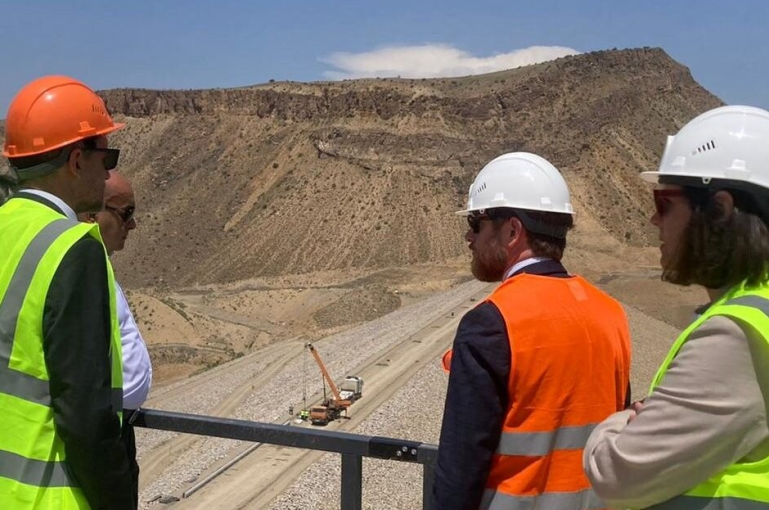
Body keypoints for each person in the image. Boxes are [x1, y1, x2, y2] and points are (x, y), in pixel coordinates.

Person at [584, 105, 769, 509]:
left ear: (719, 208)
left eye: (665, 202)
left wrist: (623, 419)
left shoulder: (737, 334)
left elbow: (617, 474)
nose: (653, 219)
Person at [432, 152, 632, 510]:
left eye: (476, 223)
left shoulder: (492, 322)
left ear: (512, 231)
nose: (468, 235)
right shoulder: (611, 314)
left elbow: (459, 471)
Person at [0, 76, 134, 509]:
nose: (109, 171)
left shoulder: (6, 226)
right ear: (77, 160)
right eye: (106, 156)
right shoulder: (74, 248)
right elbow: (86, 418)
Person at [80, 170, 150, 508]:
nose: (132, 226)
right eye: (126, 214)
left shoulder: (98, 264)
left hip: (116, 428)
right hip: (102, 435)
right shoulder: (78, 269)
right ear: (94, 213)